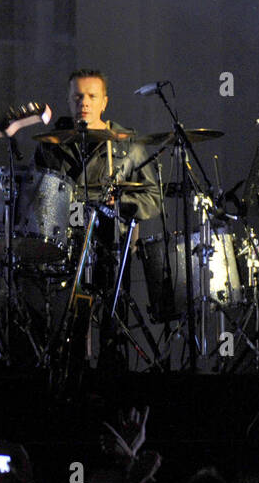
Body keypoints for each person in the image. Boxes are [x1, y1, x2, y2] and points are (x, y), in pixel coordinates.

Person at [33, 69, 162, 368]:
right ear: (68, 100)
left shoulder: (128, 144)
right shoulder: (52, 144)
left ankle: (111, 382)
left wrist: (121, 203)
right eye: (77, 96)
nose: (84, 103)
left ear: (104, 102)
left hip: (113, 245)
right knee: (71, 325)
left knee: (112, 325)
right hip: (66, 246)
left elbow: (153, 198)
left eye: (92, 96)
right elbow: (36, 194)